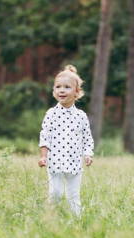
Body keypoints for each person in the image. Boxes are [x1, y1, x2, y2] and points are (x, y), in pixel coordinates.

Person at [38, 65, 94, 217]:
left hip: (74, 162)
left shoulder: (81, 116)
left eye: (67, 87)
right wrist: (43, 156)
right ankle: (51, 217)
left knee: (73, 195)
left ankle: (77, 221)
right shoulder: (51, 114)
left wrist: (88, 154)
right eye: (58, 87)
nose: (62, 90)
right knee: (55, 192)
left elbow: (87, 138)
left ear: (77, 92)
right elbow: (45, 136)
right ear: (54, 91)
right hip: (54, 160)